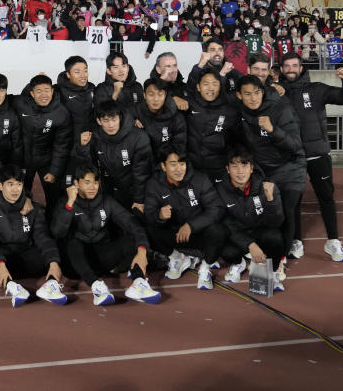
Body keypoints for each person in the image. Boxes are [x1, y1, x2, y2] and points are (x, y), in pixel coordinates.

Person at [279, 54, 343, 262]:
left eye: (294, 65)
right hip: (290, 156)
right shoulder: (276, 92)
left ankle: (333, 241)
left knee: (326, 198)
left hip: (317, 154)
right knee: (293, 200)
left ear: (301, 67)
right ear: (281, 69)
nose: (290, 69)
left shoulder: (317, 89)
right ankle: (296, 241)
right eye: (286, 66)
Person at [51, 165, 161, 305]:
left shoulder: (106, 201)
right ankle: (97, 288)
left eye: (96, 182)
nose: (92, 187)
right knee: (73, 243)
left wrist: (142, 250)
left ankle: (138, 282)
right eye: (87, 182)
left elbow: (132, 224)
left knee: (132, 240)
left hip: (100, 259)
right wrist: (70, 204)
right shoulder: (65, 202)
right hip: (74, 264)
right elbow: (57, 232)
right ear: (76, 184)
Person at [234, 75, 305, 277]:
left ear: (263, 92)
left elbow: (295, 145)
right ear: (239, 95)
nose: (253, 98)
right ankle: (263, 254)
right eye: (247, 94)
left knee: (287, 212)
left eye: (257, 92)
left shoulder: (280, 108)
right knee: (268, 215)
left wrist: (273, 130)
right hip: (265, 171)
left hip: (291, 167)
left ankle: (280, 261)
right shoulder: (239, 114)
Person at [0, 165, 66, 307]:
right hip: (2, 260)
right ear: (0, 186)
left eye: (19, 184)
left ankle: (50, 285)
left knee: (55, 251)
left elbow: (42, 237)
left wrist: (53, 262)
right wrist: (0, 264)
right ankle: (14, 288)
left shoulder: (34, 208)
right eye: (10, 184)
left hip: (24, 258)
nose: (15, 189)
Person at [143, 148, 226, 290]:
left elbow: (216, 209)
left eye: (182, 164)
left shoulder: (200, 179)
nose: (179, 169)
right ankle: (177, 258)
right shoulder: (154, 184)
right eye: (173, 164)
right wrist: (159, 216)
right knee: (148, 228)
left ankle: (205, 268)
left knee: (218, 230)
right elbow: (149, 213)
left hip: (197, 232)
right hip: (174, 234)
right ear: (163, 166)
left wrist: (191, 225)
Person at [215, 147, 285, 290]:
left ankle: (272, 271)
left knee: (275, 237)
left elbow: (276, 222)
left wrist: (270, 200)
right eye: (234, 166)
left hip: (260, 232)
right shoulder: (220, 190)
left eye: (244, 165)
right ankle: (241, 262)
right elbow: (227, 224)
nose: (240, 171)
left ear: (252, 168)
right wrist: (250, 245)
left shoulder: (267, 187)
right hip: (238, 235)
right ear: (227, 169)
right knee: (227, 252)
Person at [73, 100, 152, 216]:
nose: (111, 125)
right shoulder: (94, 137)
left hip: (134, 190)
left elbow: (141, 172)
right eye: (106, 120)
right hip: (109, 190)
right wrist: (83, 147)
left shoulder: (139, 138)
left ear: (120, 118)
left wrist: (139, 200)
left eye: (114, 119)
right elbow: (89, 167)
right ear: (99, 121)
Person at [13, 74, 72, 211]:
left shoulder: (61, 113)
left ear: (52, 91)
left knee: (54, 199)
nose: (43, 95)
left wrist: (54, 171)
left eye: (47, 90)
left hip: (47, 161)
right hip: (23, 160)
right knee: (19, 197)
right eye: (38, 91)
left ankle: (52, 227)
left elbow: (61, 145)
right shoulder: (20, 103)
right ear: (32, 93)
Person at [186, 70, 237, 182]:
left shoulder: (230, 110)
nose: (210, 88)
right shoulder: (188, 105)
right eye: (206, 84)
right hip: (192, 170)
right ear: (198, 87)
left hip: (219, 171)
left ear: (220, 86)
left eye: (215, 84)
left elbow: (237, 141)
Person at [133, 78, 186, 156]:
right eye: (151, 94)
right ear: (144, 95)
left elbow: (179, 148)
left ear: (165, 95)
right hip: (145, 162)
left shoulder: (177, 117)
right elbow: (120, 116)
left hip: (167, 163)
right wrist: (131, 121)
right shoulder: (136, 111)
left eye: (160, 94)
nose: (156, 99)